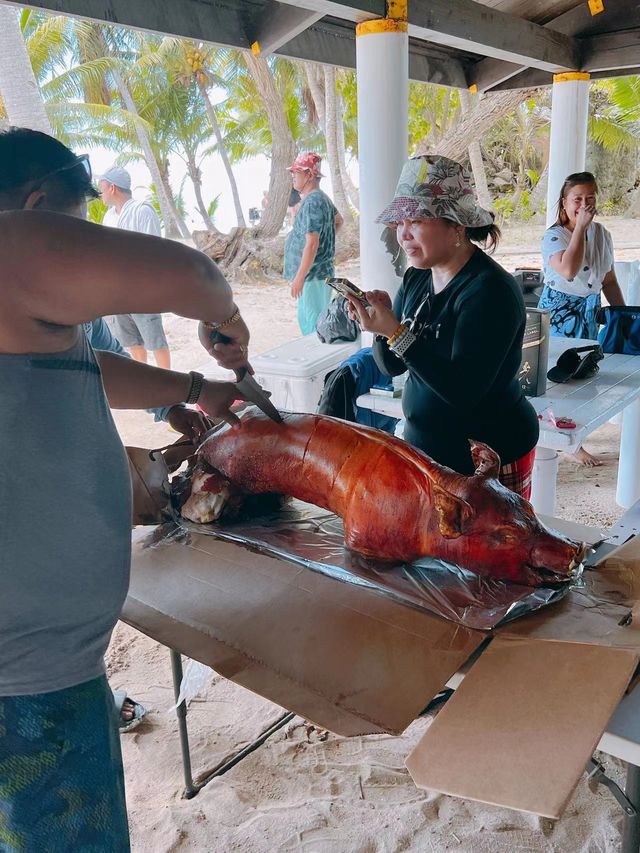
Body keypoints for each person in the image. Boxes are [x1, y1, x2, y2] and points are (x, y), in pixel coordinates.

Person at [0, 127, 251, 852]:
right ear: (40, 205)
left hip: (39, 665)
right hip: (23, 682)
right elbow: (198, 278)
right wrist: (225, 322)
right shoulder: (11, 246)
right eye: (78, 226)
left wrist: (197, 389)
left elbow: (78, 366)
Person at [346, 154, 539, 497]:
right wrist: (379, 328)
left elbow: (462, 392)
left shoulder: (489, 291)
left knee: (493, 547)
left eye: (418, 219)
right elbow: (391, 365)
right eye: (400, 221)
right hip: (428, 451)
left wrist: (395, 332)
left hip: (489, 459)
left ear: (457, 226)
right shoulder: (417, 278)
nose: (404, 234)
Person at [538, 171, 625, 467]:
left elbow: (609, 279)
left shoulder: (603, 235)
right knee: (558, 376)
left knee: (582, 375)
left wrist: (621, 315)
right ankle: (560, 440)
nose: (584, 205)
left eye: (590, 198)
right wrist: (580, 230)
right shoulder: (553, 236)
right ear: (565, 203)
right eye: (578, 199)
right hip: (560, 309)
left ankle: (574, 436)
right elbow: (568, 270)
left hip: (588, 308)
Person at [98, 165, 172, 369]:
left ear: (112, 187)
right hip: (117, 293)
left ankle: (169, 388)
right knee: (132, 342)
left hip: (142, 291)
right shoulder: (109, 217)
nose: (99, 193)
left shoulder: (142, 210)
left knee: (155, 340)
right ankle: (147, 390)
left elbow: (153, 250)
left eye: (101, 188)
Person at [283, 152, 343, 335]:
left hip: (312, 276)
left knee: (312, 326)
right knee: (316, 320)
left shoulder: (312, 202)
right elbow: (339, 220)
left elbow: (311, 244)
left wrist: (300, 277)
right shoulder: (321, 198)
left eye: (297, 172)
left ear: (309, 175)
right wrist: (327, 240)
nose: (293, 176)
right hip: (318, 273)